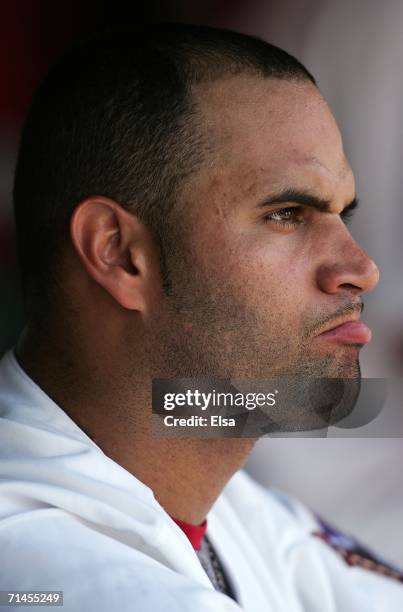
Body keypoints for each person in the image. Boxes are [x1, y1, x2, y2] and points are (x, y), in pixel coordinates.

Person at [0, 23, 401, 611]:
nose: (360, 269)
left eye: (342, 215)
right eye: (287, 214)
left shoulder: (224, 501)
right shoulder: (43, 562)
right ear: (118, 252)